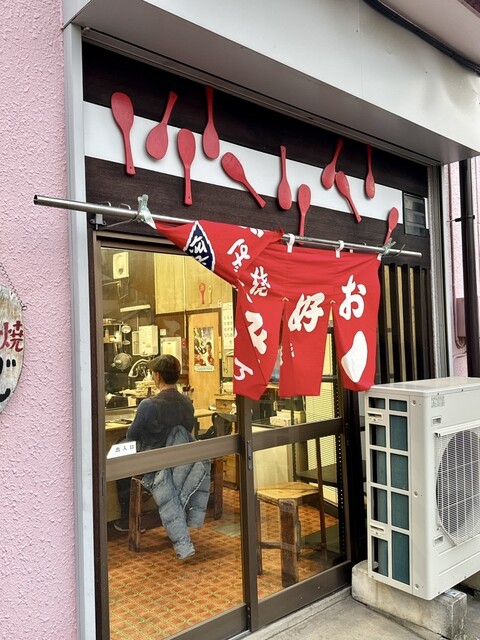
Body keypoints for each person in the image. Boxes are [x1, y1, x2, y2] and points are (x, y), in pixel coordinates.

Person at [113, 354, 210, 560]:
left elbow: (132, 435)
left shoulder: (148, 405)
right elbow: (186, 429)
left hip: (153, 461)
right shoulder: (187, 402)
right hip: (177, 460)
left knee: (118, 456)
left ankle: (124, 518)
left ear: (157, 376)